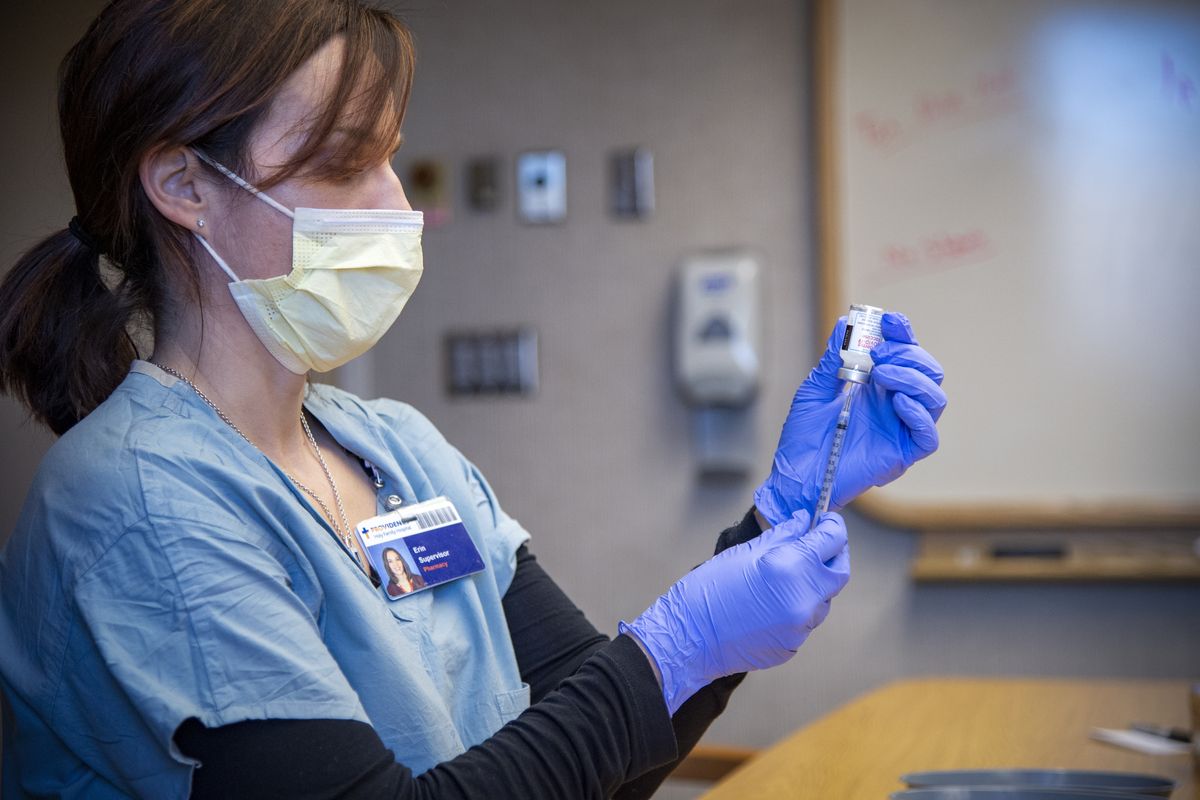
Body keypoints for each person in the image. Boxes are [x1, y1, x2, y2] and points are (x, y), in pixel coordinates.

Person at [0, 1, 946, 797]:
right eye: (341, 160)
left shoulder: (394, 448)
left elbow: (594, 749)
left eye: (390, 159)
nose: (393, 205)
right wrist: (682, 644)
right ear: (181, 183)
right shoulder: (138, 503)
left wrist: (779, 520)